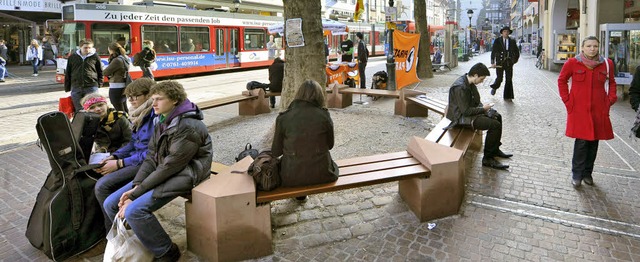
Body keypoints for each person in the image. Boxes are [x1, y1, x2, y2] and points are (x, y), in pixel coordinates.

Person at [103, 80, 212, 261]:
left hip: (188, 174)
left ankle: (167, 252)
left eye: (158, 99)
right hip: (166, 172)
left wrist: (136, 193)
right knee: (110, 203)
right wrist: (137, 186)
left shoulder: (188, 126)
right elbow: (151, 157)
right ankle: (142, 241)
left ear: (175, 100)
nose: (153, 104)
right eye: (152, 99)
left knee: (134, 211)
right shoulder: (161, 119)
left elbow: (170, 166)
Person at [94, 78, 157, 231]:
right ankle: (114, 227)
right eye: (129, 96)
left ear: (148, 95)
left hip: (146, 163)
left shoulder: (154, 116)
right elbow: (132, 143)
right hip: (137, 158)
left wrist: (119, 164)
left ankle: (114, 230)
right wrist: (115, 156)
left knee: (102, 186)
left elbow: (151, 153)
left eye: (135, 95)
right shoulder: (140, 114)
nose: (130, 100)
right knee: (99, 176)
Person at [558, 36, 617, 187]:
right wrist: (567, 100)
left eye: (595, 46)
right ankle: (577, 174)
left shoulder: (607, 64)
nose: (592, 49)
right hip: (579, 109)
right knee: (582, 141)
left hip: (599, 109)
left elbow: (611, 83)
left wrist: (610, 100)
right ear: (582, 48)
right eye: (589, 46)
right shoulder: (572, 62)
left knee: (594, 141)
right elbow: (562, 80)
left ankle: (588, 173)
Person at [272, 79, 339, 195]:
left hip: (291, 176)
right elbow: (330, 145)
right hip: (323, 173)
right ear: (319, 96)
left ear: (298, 94)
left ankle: (300, 196)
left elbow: (276, 152)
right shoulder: (324, 116)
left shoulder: (284, 118)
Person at [445, 63, 512, 170]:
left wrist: (486, 109)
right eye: (482, 79)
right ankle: (488, 158)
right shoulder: (460, 87)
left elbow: (477, 102)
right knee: (494, 125)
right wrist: (483, 109)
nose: (482, 81)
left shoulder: (470, 83)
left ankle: (494, 149)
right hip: (460, 119)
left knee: (497, 116)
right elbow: (465, 111)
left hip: (469, 115)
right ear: (475, 75)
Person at [489, 26, 520, 100]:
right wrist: (493, 62)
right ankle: (495, 87)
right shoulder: (497, 41)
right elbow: (493, 52)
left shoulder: (512, 41)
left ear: (509, 33)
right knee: (499, 78)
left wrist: (514, 60)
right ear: (502, 33)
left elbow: (517, 52)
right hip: (500, 62)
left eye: (507, 32)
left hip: (509, 63)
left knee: (509, 79)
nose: (506, 33)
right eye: (504, 31)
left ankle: (508, 96)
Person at [103, 42, 130, 113]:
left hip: (116, 86)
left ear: (111, 50)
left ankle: (124, 122)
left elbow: (105, 72)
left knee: (118, 108)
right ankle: (129, 121)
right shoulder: (125, 57)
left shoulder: (117, 60)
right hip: (122, 85)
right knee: (123, 106)